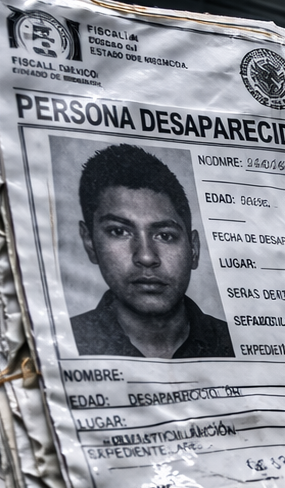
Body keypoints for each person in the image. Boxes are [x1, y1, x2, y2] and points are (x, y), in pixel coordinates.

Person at [70, 144, 233, 359]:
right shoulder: (64, 341)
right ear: (90, 243)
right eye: (119, 231)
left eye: (165, 235)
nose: (146, 257)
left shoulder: (235, 342)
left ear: (193, 249)